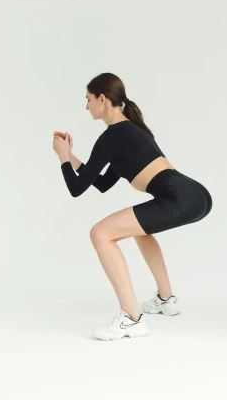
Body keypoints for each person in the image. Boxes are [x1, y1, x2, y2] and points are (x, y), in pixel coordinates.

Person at [53, 72, 212, 340]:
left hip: (179, 197)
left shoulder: (113, 135)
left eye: (88, 99)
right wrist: (69, 155)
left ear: (102, 99)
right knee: (139, 228)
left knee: (100, 233)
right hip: (193, 194)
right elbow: (101, 183)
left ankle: (131, 317)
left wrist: (61, 158)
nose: (86, 106)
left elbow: (76, 188)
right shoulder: (131, 131)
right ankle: (166, 299)